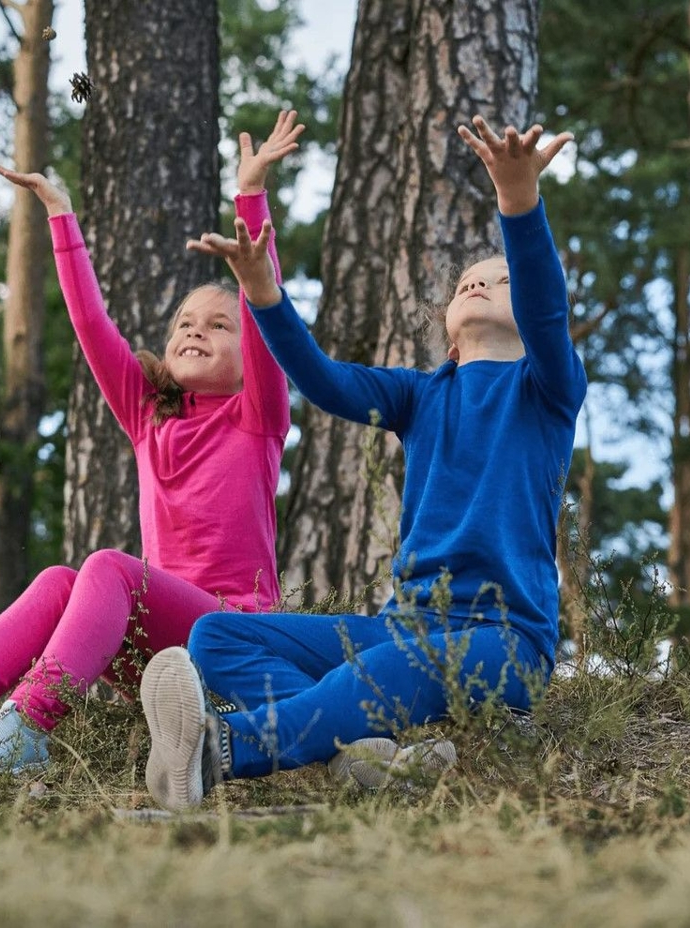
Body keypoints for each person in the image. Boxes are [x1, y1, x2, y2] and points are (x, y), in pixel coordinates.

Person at [139, 115, 588, 811]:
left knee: (391, 665)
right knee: (216, 634)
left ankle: (221, 750)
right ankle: (365, 752)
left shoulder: (547, 390)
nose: (478, 284)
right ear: (443, 321)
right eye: (467, 280)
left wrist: (517, 202)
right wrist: (263, 295)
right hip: (402, 627)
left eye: (497, 280)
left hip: (503, 643)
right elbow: (321, 379)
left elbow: (546, 305)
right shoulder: (419, 395)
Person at [0, 111, 305, 774]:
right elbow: (89, 320)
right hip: (158, 657)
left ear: (249, 350)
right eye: (185, 322)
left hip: (234, 645)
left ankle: (22, 732)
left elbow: (267, 305)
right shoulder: (148, 418)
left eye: (220, 325)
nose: (196, 330)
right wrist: (59, 213)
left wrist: (250, 195)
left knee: (107, 566)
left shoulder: (258, 418)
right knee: (57, 580)